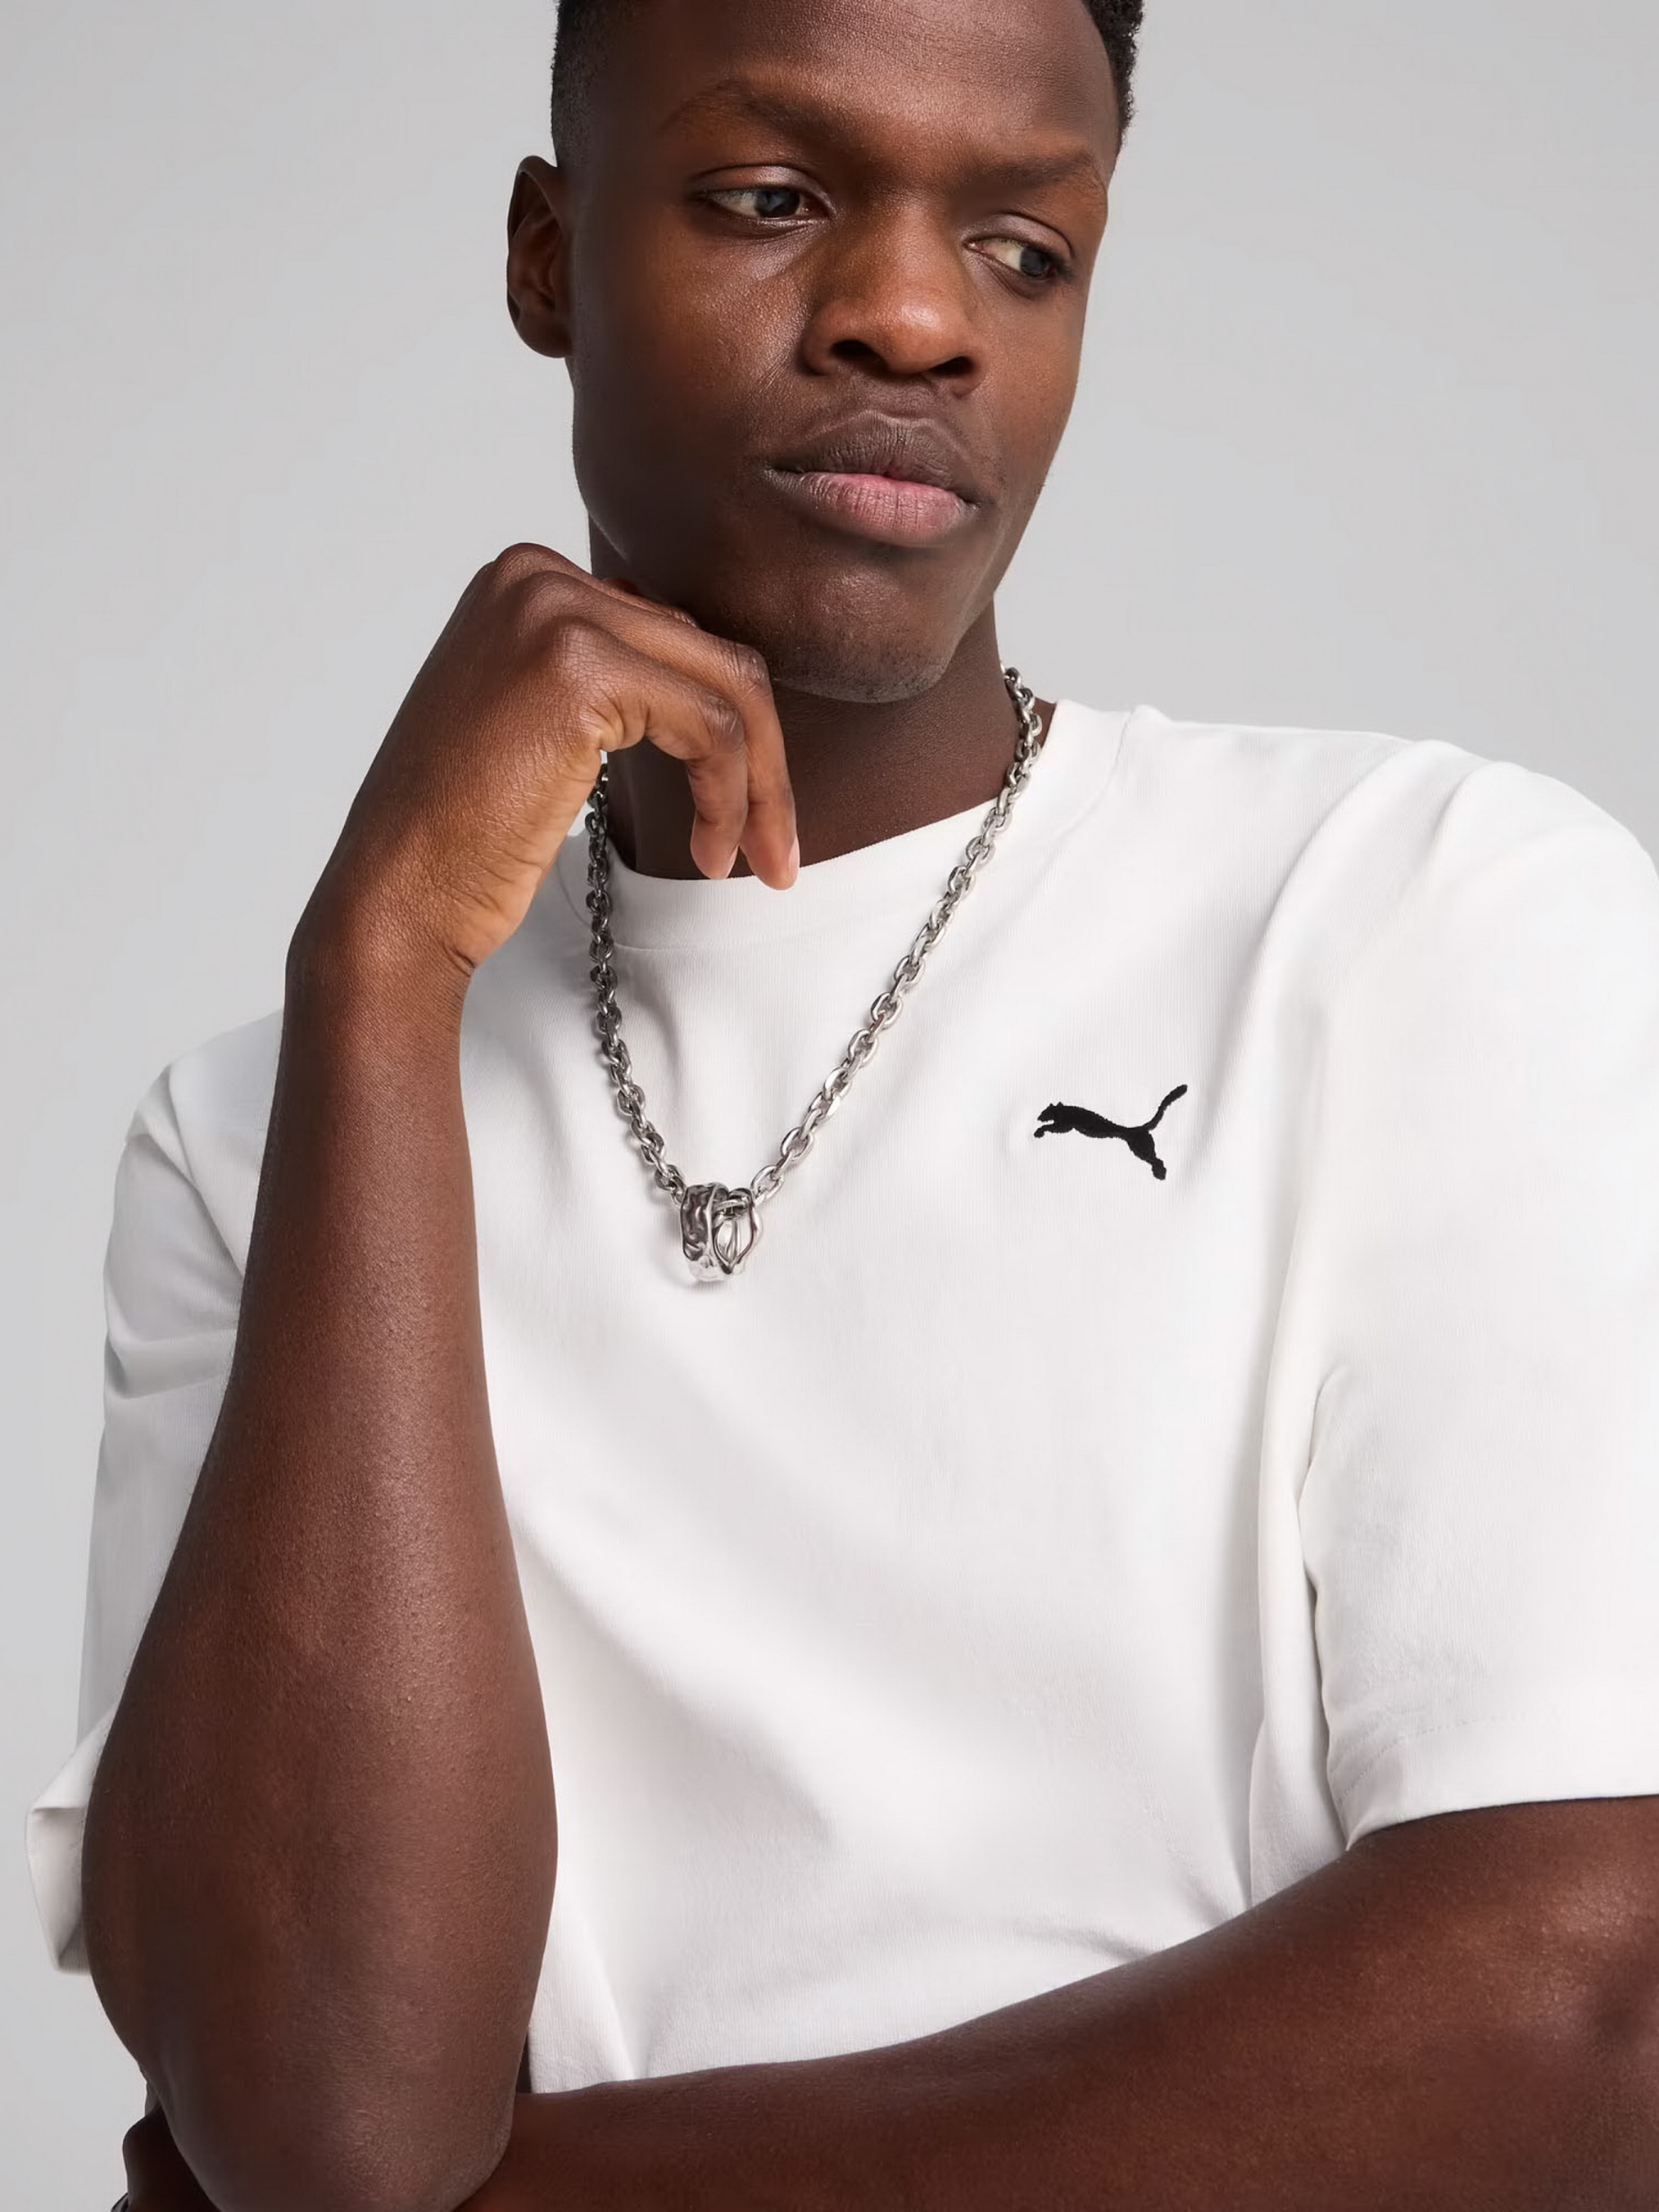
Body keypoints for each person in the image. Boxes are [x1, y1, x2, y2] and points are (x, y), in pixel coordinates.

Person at [28, 0, 1659, 2206]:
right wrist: (382, 969)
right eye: (771, 199)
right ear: (546, 257)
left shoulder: (1416, 914)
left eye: (1022, 248)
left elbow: (1586, 2014)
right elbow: (320, 2114)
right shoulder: (266, 1137)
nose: (911, 316)